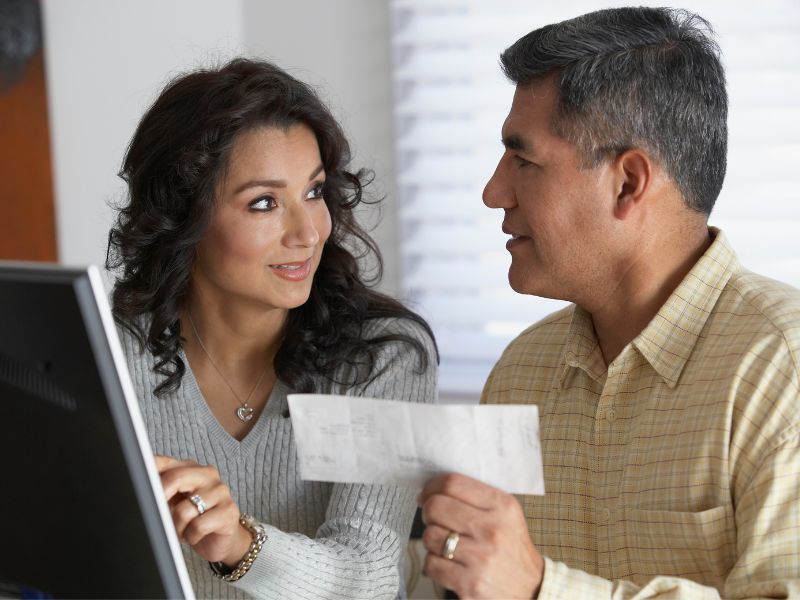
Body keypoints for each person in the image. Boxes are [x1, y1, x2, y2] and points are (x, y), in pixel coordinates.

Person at [417, 7, 800, 599]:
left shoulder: (782, 369)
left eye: (524, 160)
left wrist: (540, 588)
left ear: (628, 182)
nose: (493, 192)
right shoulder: (522, 373)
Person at [106, 58, 438, 599]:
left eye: (314, 192)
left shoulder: (383, 356)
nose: (310, 231)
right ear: (183, 216)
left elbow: (371, 579)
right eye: (265, 203)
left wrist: (241, 544)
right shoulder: (112, 350)